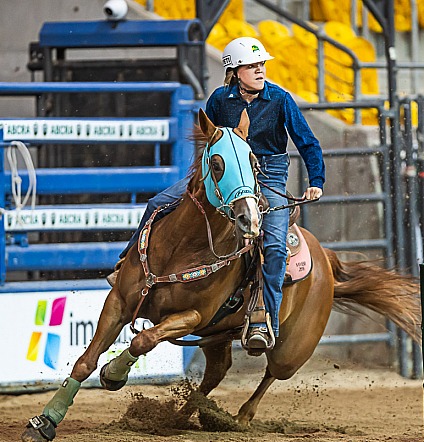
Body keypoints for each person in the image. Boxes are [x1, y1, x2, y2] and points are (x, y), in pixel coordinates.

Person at [108, 36, 325, 351]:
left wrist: (316, 179)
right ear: (236, 71)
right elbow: (207, 140)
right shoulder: (220, 100)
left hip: (268, 175)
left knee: (276, 246)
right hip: (224, 174)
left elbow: (307, 142)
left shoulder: (281, 100)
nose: (260, 70)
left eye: (261, 64)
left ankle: (267, 322)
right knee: (158, 202)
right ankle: (125, 265)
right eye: (252, 66)